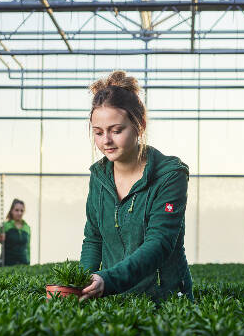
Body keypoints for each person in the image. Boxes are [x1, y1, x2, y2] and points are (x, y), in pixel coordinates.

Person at [79, 71, 193, 302]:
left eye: (116, 130)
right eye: (98, 133)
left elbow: (159, 243)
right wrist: (80, 284)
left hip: (165, 300)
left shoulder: (170, 175)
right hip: (114, 298)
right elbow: (93, 238)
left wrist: (108, 280)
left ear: (139, 125)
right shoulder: (99, 176)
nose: (106, 141)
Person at [0, 199, 31, 266]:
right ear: (11, 211)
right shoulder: (5, 226)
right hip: (7, 265)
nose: (19, 213)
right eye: (17, 210)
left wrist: (28, 263)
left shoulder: (27, 227)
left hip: (23, 265)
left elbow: (28, 248)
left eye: (22, 211)